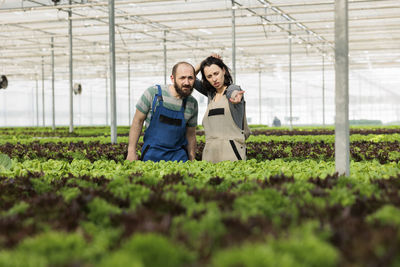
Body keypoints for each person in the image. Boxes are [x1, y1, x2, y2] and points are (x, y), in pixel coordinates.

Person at [126, 62, 198, 162]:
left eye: (190, 78)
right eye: (182, 78)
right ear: (172, 78)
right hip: (151, 156)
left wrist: (192, 158)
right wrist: (131, 151)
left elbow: (190, 135)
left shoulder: (192, 103)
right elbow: (137, 122)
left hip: (179, 158)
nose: (186, 82)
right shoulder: (153, 93)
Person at [194, 55, 250, 163]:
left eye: (216, 73)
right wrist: (203, 62)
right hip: (210, 154)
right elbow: (190, 77)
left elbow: (232, 91)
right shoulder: (211, 95)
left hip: (232, 154)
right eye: (209, 76)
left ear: (223, 71)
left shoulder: (233, 89)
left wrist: (235, 96)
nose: (214, 79)